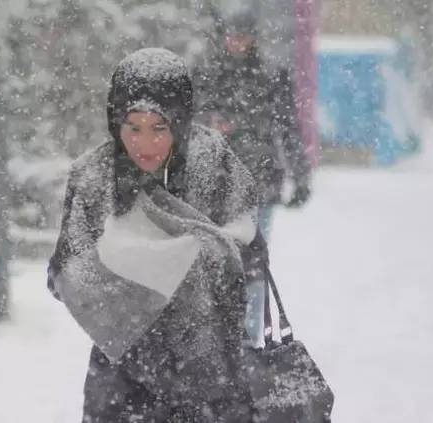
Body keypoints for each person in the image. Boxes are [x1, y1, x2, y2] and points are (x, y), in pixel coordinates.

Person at [47, 48, 271, 422]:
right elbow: (63, 274)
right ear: (114, 121)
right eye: (132, 127)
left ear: (179, 122)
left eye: (159, 128)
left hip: (209, 375)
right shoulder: (94, 177)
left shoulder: (212, 164)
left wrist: (188, 260)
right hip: (122, 379)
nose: (144, 143)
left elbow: (249, 254)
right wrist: (123, 274)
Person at [193, 9, 312, 239]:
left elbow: (288, 129)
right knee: (217, 258)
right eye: (232, 35)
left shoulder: (271, 76)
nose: (236, 42)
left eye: (243, 36)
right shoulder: (207, 75)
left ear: (253, 38)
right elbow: (188, 120)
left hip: (260, 179)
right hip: (215, 181)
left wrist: (300, 177)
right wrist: (211, 123)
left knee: (254, 257)